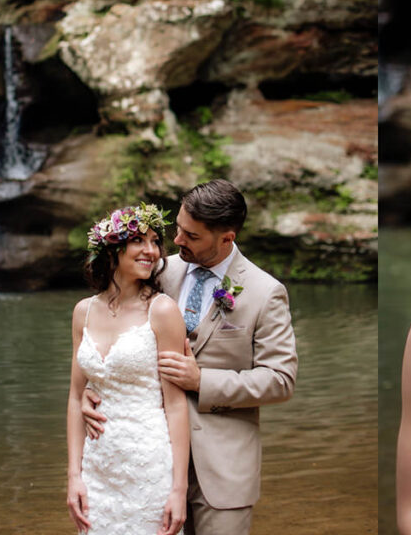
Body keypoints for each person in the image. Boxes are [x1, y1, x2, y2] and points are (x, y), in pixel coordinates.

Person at [83, 180, 297, 535]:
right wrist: (96, 389)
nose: (178, 240)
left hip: (223, 468)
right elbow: (108, 326)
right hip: (149, 459)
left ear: (226, 238)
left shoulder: (265, 292)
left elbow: (280, 380)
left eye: (191, 236)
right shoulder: (157, 270)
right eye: (179, 229)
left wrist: (203, 381)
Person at [66, 202, 189, 535]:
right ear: (113, 249)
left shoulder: (162, 310)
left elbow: (175, 406)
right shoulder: (83, 312)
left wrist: (178, 490)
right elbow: (76, 396)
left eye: (155, 242)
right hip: (98, 466)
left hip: (147, 463)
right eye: (139, 241)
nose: (150, 251)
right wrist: (74, 476)